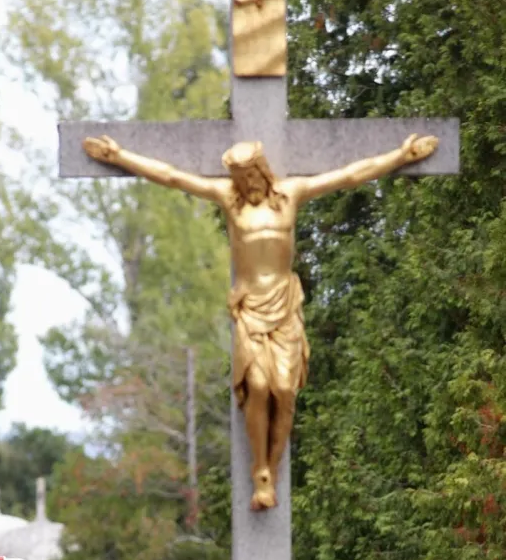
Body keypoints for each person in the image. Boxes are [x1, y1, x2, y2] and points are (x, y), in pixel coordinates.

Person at [83, 132, 438, 510]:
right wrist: (120, 156)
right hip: (250, 307)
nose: (247, 185)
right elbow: (172, 176)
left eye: (251, 176)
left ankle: (274, 462)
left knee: (284, 389)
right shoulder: (229, 199)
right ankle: (261, 472)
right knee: (257, 384)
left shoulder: (291, 194)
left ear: (263, 172)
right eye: (240, 179)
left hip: (284, 305)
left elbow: (349, 175)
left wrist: (401, 156)